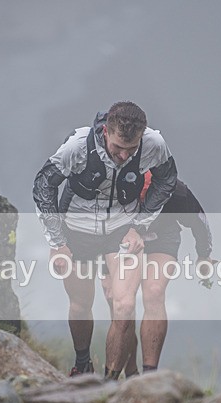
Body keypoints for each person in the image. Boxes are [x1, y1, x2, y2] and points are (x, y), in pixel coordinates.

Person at [33, 101, 177, 379]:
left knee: (124, 305)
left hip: (121, 229)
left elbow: (166, 180)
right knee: (80, 303)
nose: (123, 155)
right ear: (105, 132)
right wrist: (57, 242)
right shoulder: (77, 145)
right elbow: (43, 185)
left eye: (131, 149)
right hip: (76, 229)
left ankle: (110, 382)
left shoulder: (154, 144)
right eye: (117, 147)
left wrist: (139, 226)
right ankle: (82, 364)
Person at [61, 177, 213, 376]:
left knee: (154, 292)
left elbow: (199, 220)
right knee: (118, 301)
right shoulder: (111, 187)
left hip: (161, 237)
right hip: (119, 237)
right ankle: (130, 369)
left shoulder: (175, 190)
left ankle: (149, 374)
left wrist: (203, 256)